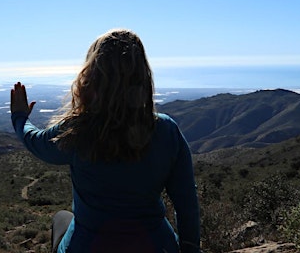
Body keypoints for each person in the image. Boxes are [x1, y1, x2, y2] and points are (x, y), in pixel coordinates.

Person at [10, 28, 200, 253]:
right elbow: (186, 203)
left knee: (62, 219)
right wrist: (190, 249)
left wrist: (20, 117)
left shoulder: (79, 129)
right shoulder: (166, 130)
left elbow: (36, 141)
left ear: (92, 76)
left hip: (89, 245)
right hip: (155, 244)